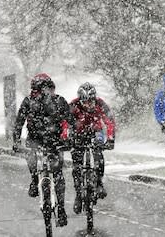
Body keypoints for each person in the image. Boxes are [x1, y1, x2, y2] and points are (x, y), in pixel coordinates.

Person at [13, 73, 73, 227]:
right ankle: (34, 180)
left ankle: (61, 209)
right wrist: (16, 140)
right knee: (32, 157)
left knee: (58, 172)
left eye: (45, 89)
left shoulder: (59, 101)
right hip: (37, 140)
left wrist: (71, 139)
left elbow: (71, 121)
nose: (42, 94)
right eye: (38, 90)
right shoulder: (29, 101)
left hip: (54, 141)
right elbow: (19, 121)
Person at [69, 82, 116, 214]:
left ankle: (99, 182)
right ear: (80, 100)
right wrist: (66, 137)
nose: (88, 104)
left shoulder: (101, 104)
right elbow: (65, 122)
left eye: (91, 101)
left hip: (96, 131)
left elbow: (110, 121)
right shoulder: (73, 105)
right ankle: (78, 195)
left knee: (98, 153)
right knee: (76, 164)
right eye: (85, 102)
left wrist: (111, 139)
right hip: (78, 133)